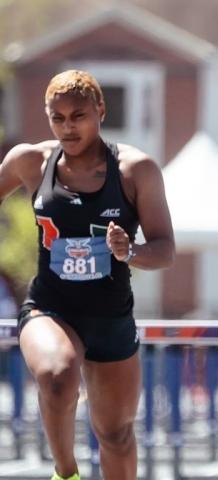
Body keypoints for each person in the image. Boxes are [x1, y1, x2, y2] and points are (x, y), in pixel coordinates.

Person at [0, 70, 174, 480]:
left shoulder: (135, 170)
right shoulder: (31, 160)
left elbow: (165, 249)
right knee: (57, 376)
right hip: (50, 307)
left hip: (110, 315)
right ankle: (66, 474)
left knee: (115, 435)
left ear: (100, 111)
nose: (68, 127)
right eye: (57, 118)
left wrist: (129, 252)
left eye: (78, 116)